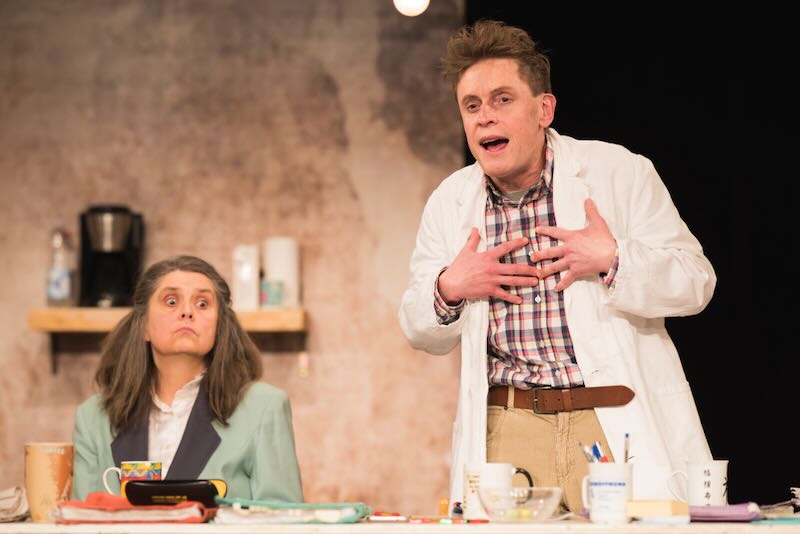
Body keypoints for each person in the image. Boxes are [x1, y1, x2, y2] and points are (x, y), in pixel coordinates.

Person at [399, 20, 716, 512]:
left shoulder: (619, 173)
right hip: (508, 429)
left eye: (503, 99)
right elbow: (418, 328)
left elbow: (696, 282)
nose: (485, 118)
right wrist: (450, 287)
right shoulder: (450, 201)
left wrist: (613, 259)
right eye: (472, 106)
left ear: (544, 109)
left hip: (609, 420)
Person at [72, 255, 303, 502]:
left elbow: (283, 518)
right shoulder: (93, 418)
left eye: (202, 304)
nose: (187, 312)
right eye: (171, 301)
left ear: (219, 326)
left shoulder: (264, 407)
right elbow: (82, 517)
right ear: (143, 326)